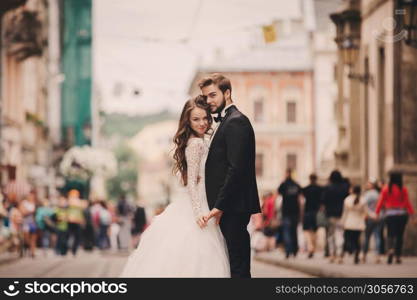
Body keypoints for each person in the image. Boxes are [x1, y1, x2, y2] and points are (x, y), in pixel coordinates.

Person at [119, 95, 230, 277]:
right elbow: (192, 182)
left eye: (204, 118)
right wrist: (197, 212)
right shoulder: (195, 144)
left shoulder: (198, 141)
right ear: (187, 121)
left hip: (197, 202)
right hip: (198, 205)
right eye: (196, 119)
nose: (202, 123)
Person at [200, 74, 261, 277]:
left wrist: (219, 205)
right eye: (205, 97)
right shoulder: (228, 121)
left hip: (233, 207)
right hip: (229, 207)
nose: (208, 101)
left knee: (238, 267)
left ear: (227, 93)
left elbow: (236, 169)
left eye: (212, 95)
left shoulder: (236, 122)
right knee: (232, 266)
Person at [376, 172, 416, 264]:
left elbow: (381, 202)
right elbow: (407, 203)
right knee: (400, 236)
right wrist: (413, 216)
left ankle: (390, 249)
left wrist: (377, 213)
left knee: (390, 233)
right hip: (402, 214)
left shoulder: (386, 189)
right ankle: (398, 256)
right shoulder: (403, 189)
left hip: (390, 214)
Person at [321, 170, 350, 263]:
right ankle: (340, 254)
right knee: (340, 234)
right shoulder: (345, 187)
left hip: (330, 214)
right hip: (342, 214)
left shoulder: (328, 188)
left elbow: (323, 201)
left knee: (331, 235)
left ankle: (332, 255)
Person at [277, 168, 302, 259]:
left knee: (287, 232)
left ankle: (288, 251)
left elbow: (279, 192)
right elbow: (300, 195)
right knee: (294, 231)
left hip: (286, 211)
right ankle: (295, 250)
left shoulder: (284, 184)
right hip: (295, 211)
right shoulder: (296, 185)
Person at [340, 185, 367, 264]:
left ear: (352, 190)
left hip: (349, 222)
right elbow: (366, 212)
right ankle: (356, 255)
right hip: (359, 223)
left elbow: (345, 213)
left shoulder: (347, 199)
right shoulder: (363, 200)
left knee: (346, 240)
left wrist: (342, 222)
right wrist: (374, 216)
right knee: (357, 241)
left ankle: (341, 256)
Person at [362, 179, 384, 263]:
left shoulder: (368, 194)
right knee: (377, 236)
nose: (367, 185)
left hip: (370, 217)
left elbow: (363, 204)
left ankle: (364, 255)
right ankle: (377, 256)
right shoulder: (379, 194)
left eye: (368, 184)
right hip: (379, 216)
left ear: (372, 185)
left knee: (367, 237)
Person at [301, 173, 323, 259]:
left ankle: (310, 247)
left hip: (307, 211)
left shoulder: (306, 189)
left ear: (310, 179)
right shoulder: (320, 189)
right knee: (315, 230)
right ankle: (313, 247)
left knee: (306, 230)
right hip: (316, 212)